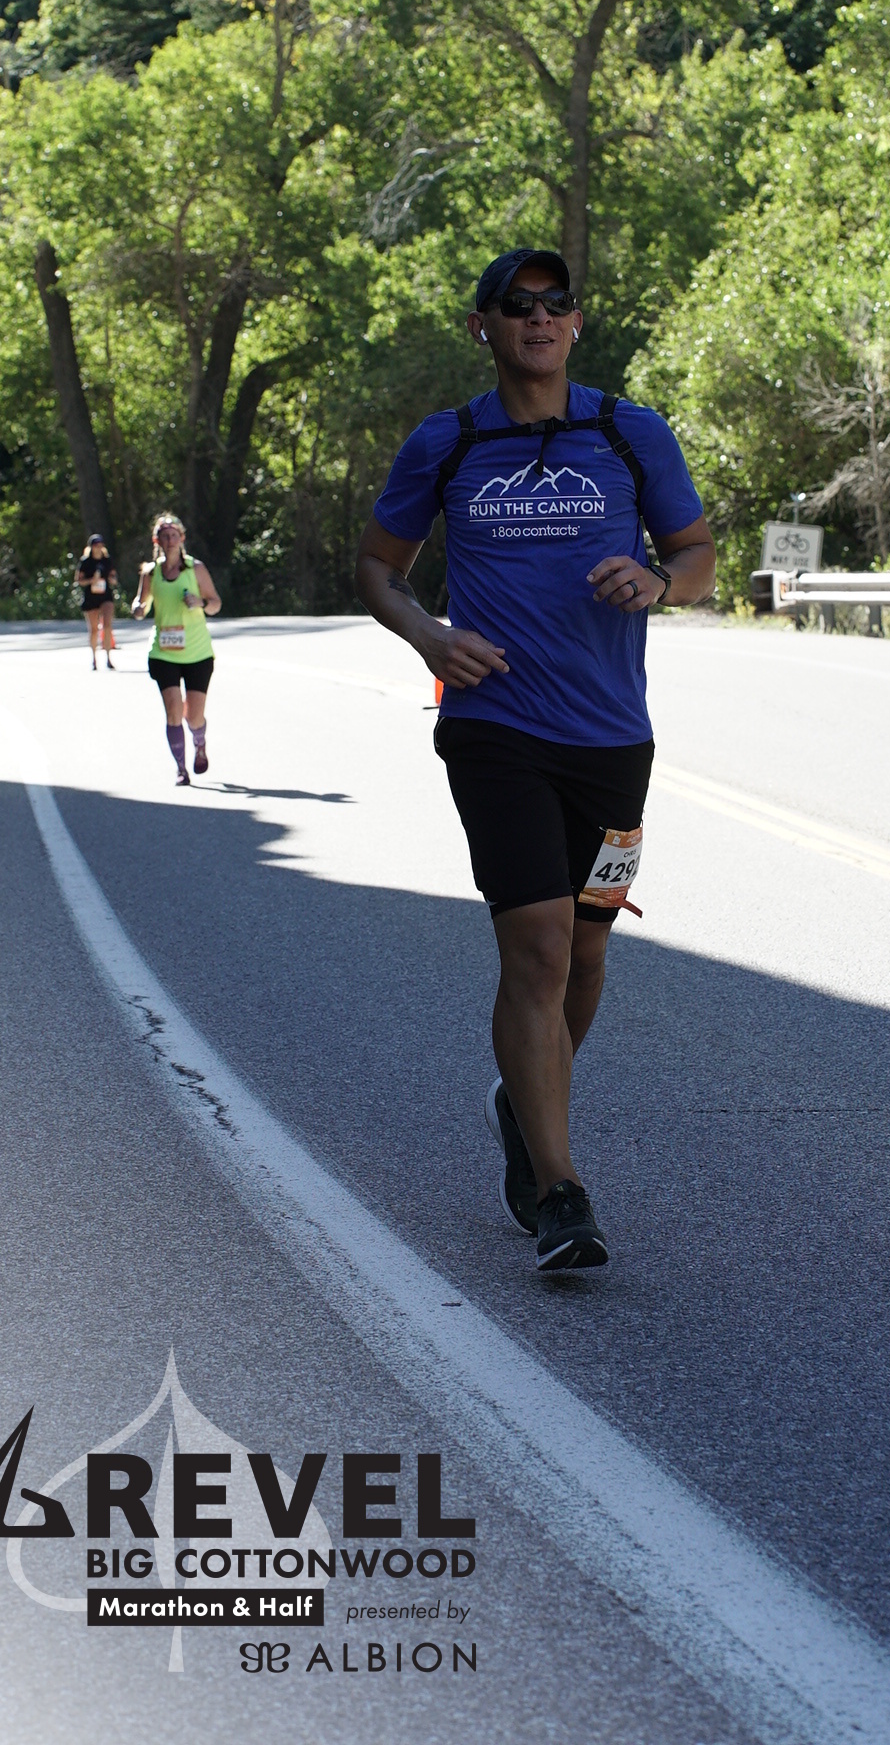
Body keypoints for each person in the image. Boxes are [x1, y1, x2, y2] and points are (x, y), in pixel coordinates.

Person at [355, 248, 715, 1273]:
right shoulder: (451, 441)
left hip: (612, 737)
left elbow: (697, 553)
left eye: (557, 303)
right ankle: (560, 1193)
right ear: (486, 326)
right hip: (495, 726)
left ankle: (523, 1098)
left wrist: (660, 583)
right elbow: (378, 567)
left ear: (577, 322)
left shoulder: (630, 431)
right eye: (519, 305)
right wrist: (430, 637)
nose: (540, 317)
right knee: (541, 947)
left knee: (588, 953)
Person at [130, 513, 221, 785]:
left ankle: (199, 742)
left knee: (193, 716)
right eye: (164, 536)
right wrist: (138, 609)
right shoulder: (151, 572)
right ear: (156, 541)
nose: (170, 541)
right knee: (172, 711)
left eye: (174, 536)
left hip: (197, 653)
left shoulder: (196, 569)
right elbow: (141, 602)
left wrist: (200, 603)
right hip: (163, 653)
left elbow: (215, 603)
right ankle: (181, 768)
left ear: (182, 538)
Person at [74, 535, 119, 669]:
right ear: (91, 547)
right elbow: (79, 580)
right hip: (91, 598)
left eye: (100, 545)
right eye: (95, 545)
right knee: (94, 630)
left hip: (106, 596)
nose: (98, 548)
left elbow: (113, 576)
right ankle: (94, 659)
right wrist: (91, 581)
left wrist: (113, 580)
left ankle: (108, 658)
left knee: (107, 626)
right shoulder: (85, 562)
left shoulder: (107, 560)